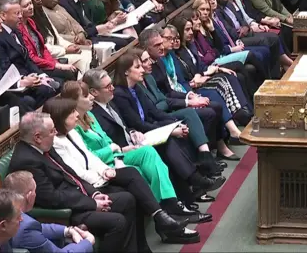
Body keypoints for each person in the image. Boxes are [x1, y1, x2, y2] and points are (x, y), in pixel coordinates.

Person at [42, 98, 199, 244]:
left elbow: (90, 158)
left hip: (100, 174)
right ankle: (163, 220)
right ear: (60, 118)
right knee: (131, 194)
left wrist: (104, 169)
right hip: (90, 184)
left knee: (131, 173)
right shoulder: (56, 142)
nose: (76, 114)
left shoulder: (72, 132)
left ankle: (161, 217)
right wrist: (100, 177)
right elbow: (75, 171)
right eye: (71, 113)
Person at [59, 80, 211, 221]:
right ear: (74, 102)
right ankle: (170, 204)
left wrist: (120, 148)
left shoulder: (90, 115)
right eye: (86, 95)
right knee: (147, 159)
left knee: (148, 152)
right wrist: (113, 149)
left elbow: (107, 139)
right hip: (104, 164)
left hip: (116, 154)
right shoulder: (74, 127)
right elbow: (89, 156)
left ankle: (170, 204)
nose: (91, 97)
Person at [7, 112, 143, 252]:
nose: (55, 133)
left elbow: (69, 173)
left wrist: (94, 194)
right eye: (52, 130)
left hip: (77, 198)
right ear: (37, 137)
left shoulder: (44, 146)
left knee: (127, 199)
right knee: (117, 221)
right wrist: (92, 204)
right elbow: (52, 198)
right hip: (65, 211)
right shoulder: (26, 161)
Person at [110, 54, 228, 195]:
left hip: (151, 127)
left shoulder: (137, 88)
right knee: (170, 141)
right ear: (126, 72)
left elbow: (155, 112)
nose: (142, 69)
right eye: (137, 67)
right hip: (139, 135)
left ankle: (198, 180)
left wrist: (174, 124)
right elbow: (138, 124)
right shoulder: (120, 94)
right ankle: (197, 181)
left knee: (183, 128)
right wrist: (170, 131)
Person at [3, 170, 96, 253]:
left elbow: (38, 228)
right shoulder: (24, 226)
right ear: (29, 196)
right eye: (35, 191)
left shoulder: (6, 210)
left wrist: (67, 230)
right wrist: (88, 242)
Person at [8, 0, 78, 84]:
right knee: (67, 75)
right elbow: (31, 57)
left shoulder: (31, 22)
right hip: (36, 66)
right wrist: (56, 65)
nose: (31, 7)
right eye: (26, 6)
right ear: (17, 9)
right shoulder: (18, 29)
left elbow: (43, 48)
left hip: (45, 62)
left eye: (30, 3)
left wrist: (55, 64)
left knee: (72, 71)